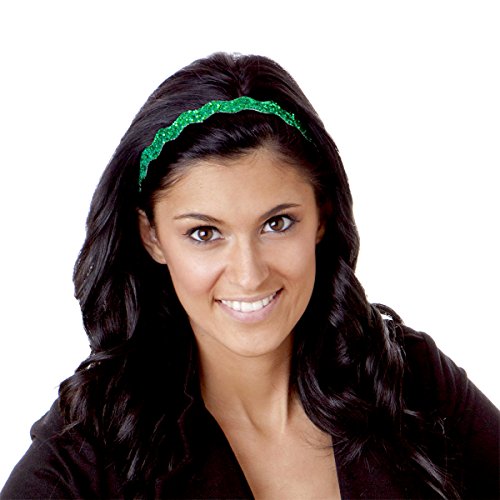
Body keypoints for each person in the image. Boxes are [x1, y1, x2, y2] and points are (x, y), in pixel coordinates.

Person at [1, 52, 498, 499]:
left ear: (321, 217)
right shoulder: (89, 450)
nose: (248, 274)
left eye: (277, 224)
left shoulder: (409, 381)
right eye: (204, 233)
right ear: (152, 237)